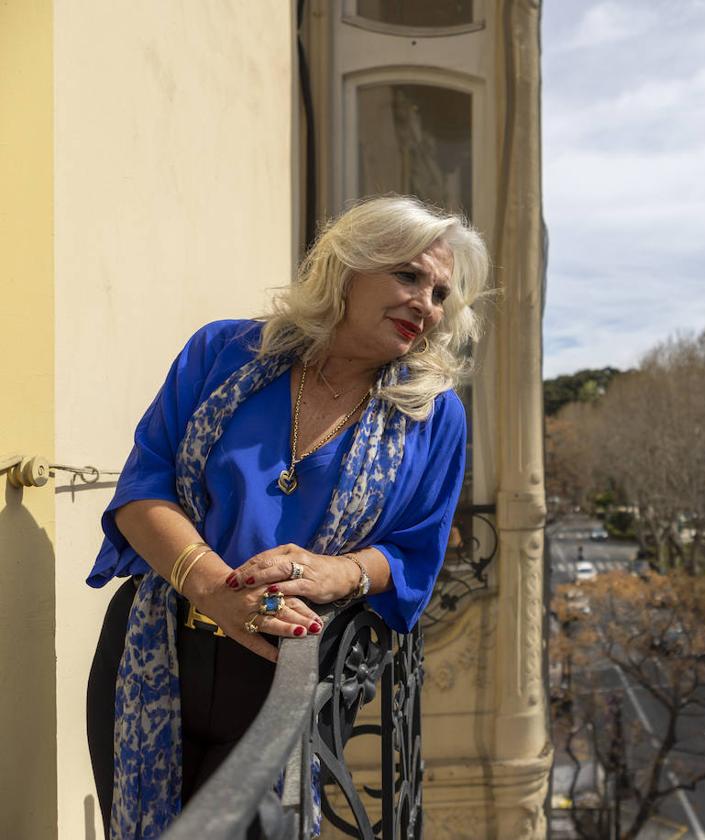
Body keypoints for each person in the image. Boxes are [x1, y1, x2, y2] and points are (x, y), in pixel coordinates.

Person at [84, 195, 489, 838]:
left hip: (286, 675)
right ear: (349, 267)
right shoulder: (223, 351)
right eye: (409, 276)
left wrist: (338, 574)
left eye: (441, 294)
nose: (427, 304)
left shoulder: (433, 415)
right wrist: (217, 590)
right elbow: (141, 491)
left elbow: (414, 552)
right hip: (151, 648)